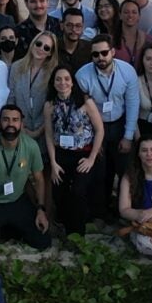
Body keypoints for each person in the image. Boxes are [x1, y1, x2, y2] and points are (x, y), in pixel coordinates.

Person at [0, 104, 51, 250]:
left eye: (15, 120)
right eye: (6, 119)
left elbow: (39, 180)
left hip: (17, 199)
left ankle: (9, 228)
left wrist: (41, 210)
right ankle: (5, 228)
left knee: (43, 241)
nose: (10, 124)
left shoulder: (31, 146)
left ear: (21, 124)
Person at [42, 66, 107, 238]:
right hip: (61, 154)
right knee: (59, 191)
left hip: (83, 154)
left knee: (78, 191)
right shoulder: (49, 105)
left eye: (66, 79)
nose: (62, 83)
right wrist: (54, 163)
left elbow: (100, 130)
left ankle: (77, 234)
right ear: (53, 82)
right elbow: (49, 135)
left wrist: (92, 158)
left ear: (72, 82)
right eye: (58, 79)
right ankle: (64, 225)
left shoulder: (85, 102)